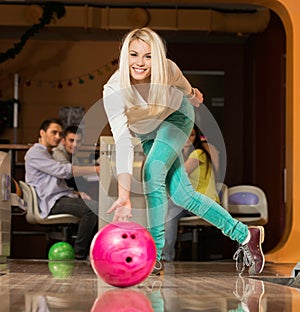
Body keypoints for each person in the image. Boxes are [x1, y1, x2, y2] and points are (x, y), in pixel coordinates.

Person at [102, 27, 265, 275]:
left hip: (176, 119)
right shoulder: (113, 91)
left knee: (152, 171)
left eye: (148, 56)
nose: (140, 63)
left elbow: (182, 83)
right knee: (182, 196)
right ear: (125, 56)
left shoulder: (167, 69)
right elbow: (123, 140)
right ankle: (245, 234)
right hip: (146, 132)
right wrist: (124, 194)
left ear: (156, 58)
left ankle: (154, 255)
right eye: (134, 55)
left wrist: (193, 95)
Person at [24, 118, 99, 260]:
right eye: (54, 132)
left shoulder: (48, 153)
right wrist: (95, 169)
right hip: (52, 202)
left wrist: (77, 193)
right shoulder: (35, 153)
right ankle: (80, 255)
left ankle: (91, 251)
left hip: (57, 198)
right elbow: (62, 171)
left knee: (95, 206)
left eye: (59, 133)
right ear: (42, 133)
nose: (57, 137)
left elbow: (57, 184)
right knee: (92, 208)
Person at [162, 124, 220, 262]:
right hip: (192, 202)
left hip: (203, 201)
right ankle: (165, 255)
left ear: (196, 137)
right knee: (169, 209)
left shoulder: (198, 153)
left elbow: (181, 173)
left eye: (192, 135)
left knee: (169, 209)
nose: (188, 138)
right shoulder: (183, 155)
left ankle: (165, 257)